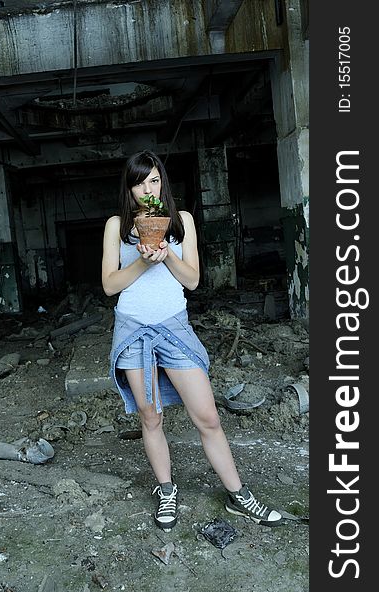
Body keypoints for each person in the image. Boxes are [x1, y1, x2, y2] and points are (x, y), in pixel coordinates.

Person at [101, 150, 282, 531]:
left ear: (162, 182)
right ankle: (166, 490)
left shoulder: (181, 221)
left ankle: (239, 495)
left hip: (174, 327)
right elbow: (109, 285)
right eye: (138, 182)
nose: (146, 188)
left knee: (208, 417)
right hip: (134, 330)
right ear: (129, 188)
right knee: (151, 418)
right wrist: (141, 261)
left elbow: (193, 280)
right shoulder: (116, 226)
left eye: (153, 180)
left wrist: (165, 256)